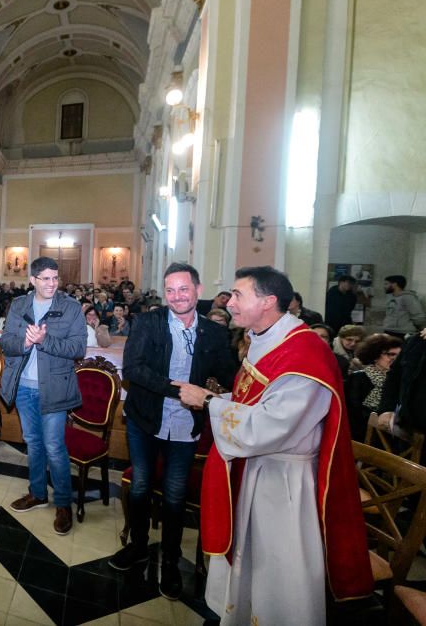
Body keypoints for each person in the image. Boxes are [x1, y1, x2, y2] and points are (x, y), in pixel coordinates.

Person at [180, 266, 372, 625]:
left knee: (279, 569)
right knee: (252, 559)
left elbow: (271, 426)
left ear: (267, 301)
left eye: (239, 295)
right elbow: (254, 403)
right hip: (257, 468)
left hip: (284, 483)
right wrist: (222, 400)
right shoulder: (268, 338)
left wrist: (209, 402)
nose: (229, 302)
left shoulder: (304, 355)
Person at [109, 263, 236, 600]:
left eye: (183, 289)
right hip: (145, 419)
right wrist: (177, 390)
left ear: (197, 289)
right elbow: (133, 368)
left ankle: (170, 560)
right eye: (170, 290)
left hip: (185, 426)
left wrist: (213, 393)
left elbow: (227, 376)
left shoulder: (215, 333)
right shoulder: (147, 323)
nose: (177, 296)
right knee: (139, 486)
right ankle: (137, 546)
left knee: (176, 494)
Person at [0, 257, 86, 535]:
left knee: (54, 446)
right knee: (33, 443)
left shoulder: (70, 308)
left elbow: (78, 348)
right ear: (33, 280)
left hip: (55, 388)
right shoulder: (19, 305)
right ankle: (37, 493)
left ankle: (63, 503)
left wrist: (43, 340)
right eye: (45, 279)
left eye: (55, 278)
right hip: (24, 385)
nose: (51, 284)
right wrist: (25, 341)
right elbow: (6, 342)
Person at [344, 333, 402, 442]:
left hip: (393, 435)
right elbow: (353, 411)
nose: (395, 359)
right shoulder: (359, 378)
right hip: (361, 434)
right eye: (391, 354)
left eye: (399, 356)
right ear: (375, 356)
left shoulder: (400, 381)